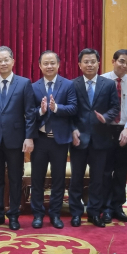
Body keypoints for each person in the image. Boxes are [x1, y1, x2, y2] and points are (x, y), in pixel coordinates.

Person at [0, 46, 36, 231]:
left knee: (15, 179)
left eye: (6, 59)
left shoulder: (24, 83)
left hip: (16, 139)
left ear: (12, 61)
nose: (3, 63)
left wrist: (29, 137)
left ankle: (14, 215)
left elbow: (30, 113)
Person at [69, 48, 120, 228]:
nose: (90, 64)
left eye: (93, 61)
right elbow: (69, 112)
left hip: (101, 138)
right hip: (78, 139)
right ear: (79, 65)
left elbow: (115, 107)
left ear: (99, 63)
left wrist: (105, 117)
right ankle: (75, 213)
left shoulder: (108, 85)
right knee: (76, 179)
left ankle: (93, 213)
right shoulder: (72, 84)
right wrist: (73, 129)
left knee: (98, 179)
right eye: (86, 62)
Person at [30, 50, 77, 229]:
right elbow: (28, 113)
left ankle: (55, 214)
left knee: (58, 180)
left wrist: (56, 108)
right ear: (40, 66)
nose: (49, 66)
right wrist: (41, 111)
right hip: (40, 140)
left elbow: (73, 108)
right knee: (37, 179)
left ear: (58, 65)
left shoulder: (68, 85)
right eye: (45, 63)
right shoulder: (33, 87)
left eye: (52, 63)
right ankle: (38, 214)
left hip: (60, 140)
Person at [100, 49, 127, 223]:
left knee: (121, 172)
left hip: (124, 130)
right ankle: (105, 207)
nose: (125, 65)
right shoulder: (102, 80)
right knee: (106, 171)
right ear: (113, 61)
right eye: (122, 61)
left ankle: (118, 207)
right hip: (105, 130)